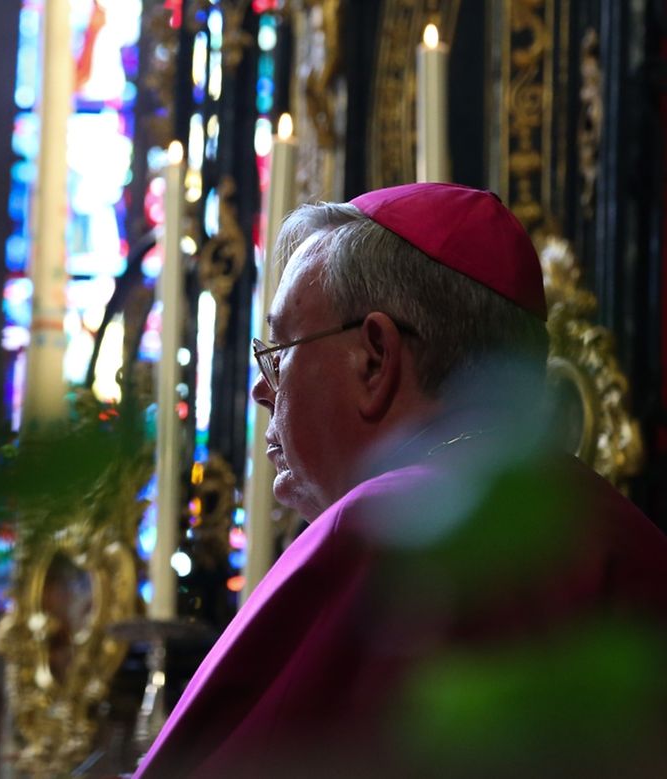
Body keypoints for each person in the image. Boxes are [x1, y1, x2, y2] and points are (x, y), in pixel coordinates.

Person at [133, 183, 667, 777]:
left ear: (375, 359)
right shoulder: (629, 540)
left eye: (280, 351)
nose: (263, 389)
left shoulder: (378, 533)